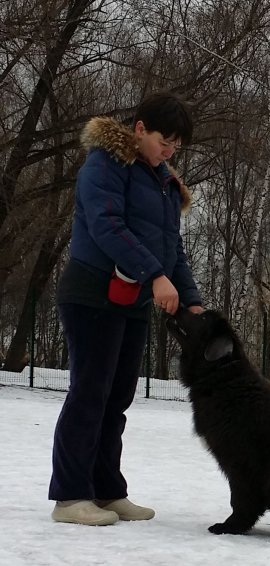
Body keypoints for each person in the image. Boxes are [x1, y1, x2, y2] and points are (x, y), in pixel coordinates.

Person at [49, 92, 203, 526]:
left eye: (176, 146)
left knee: (117, 398)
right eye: (163, 141)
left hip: (132, 299)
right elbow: (106, 225)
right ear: (139, 129)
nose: (169, 152)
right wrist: (155, 275)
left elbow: (172, 247)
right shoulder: (106, 164)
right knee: (89, 393)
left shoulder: (164, 184)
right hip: (92, 292)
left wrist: (191, 300)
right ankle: (71, 496)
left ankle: (106, 490)